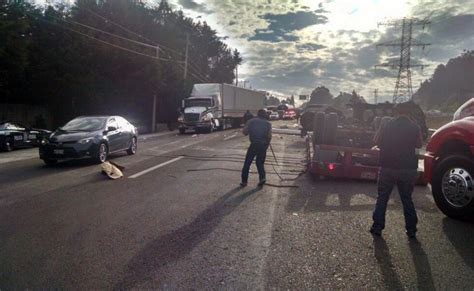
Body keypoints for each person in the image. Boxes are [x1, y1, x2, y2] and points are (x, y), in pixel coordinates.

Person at [370, 102, 423, 239]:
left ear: (396, 112)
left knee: (382, 198)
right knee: (407, 199)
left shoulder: (387, 125)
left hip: (388, 167)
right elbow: (419, 144)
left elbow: (376, 140)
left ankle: (377, 227)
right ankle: (411, 230)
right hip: (408, 169)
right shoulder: (415, 127)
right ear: (409, 113)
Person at [241, 109, 272, 187]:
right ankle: (262, 178)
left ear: (257, 114)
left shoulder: (251, 121)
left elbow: (245, 132)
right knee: (260, 163)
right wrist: (266, 146)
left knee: (247, 163)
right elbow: (269, 136)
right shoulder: (268, 124)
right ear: (265, 115)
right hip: (263, 145)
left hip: (254, 144)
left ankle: (244, 181)